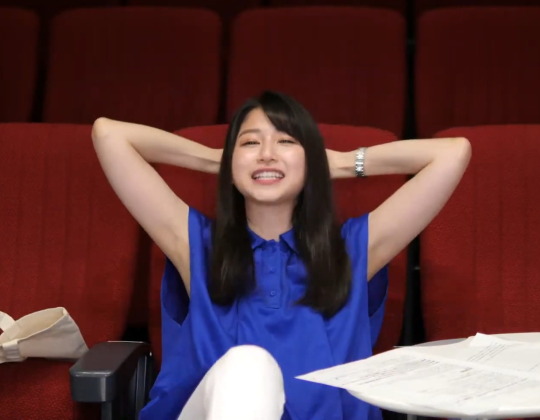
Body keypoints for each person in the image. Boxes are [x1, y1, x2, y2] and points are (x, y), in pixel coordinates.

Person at [92, 91, 471, 420]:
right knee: (248, 365)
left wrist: (336, 163)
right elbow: (109, 134)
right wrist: (216, 161)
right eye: (250, 143)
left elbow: (453, 153)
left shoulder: (355, 248)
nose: (267, 155)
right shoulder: (195, 244)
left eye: (286, 141)